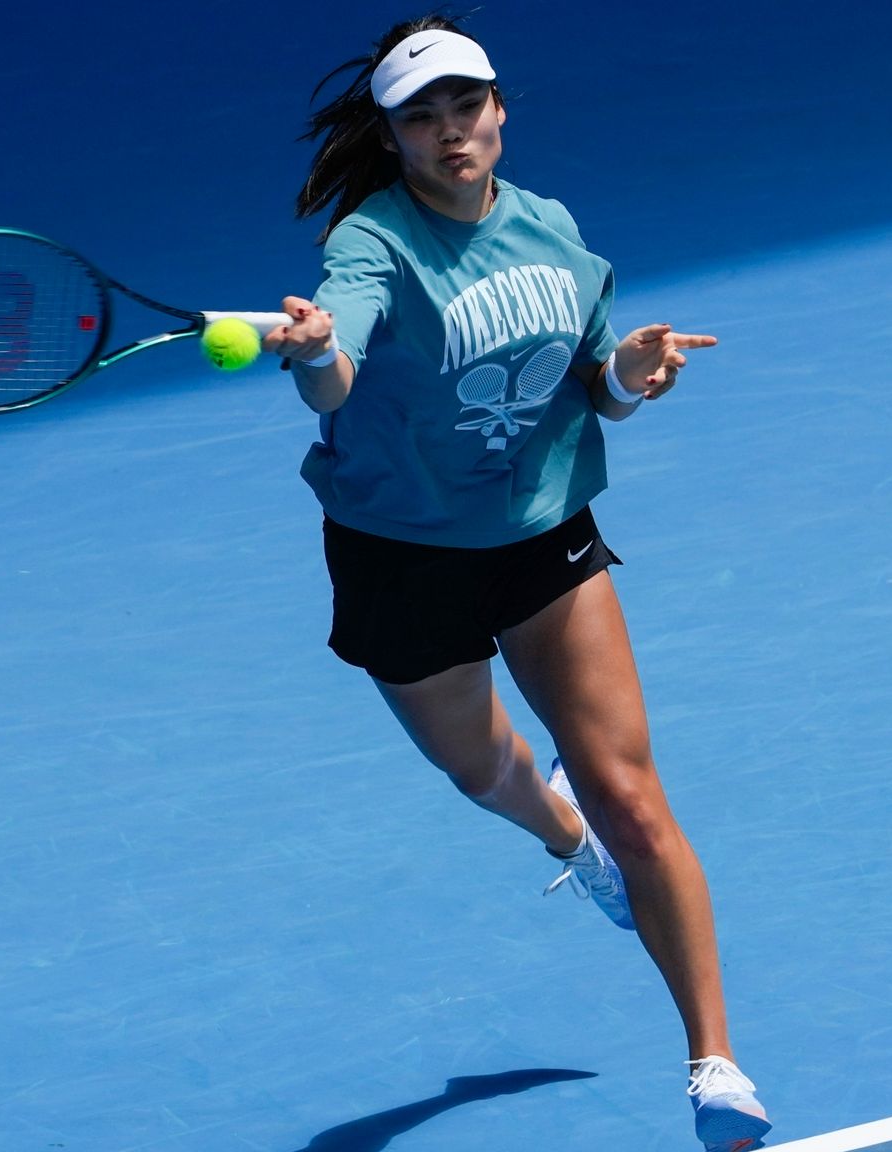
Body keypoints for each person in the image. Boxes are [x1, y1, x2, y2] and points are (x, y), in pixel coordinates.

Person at [261, 16, 772, 1152]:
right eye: (421, 118)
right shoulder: (371, 245)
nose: (449, 133)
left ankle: (715, 1066)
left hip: (542, 537)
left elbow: (587, 382)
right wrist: (311, 352)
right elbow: (337, 373)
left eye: (464, 108)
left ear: (498, 111)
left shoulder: (549, 231)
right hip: (399, 555)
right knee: (476, 767)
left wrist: (630, 376)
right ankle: (555, 834)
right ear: (391, 136)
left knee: (633, 798)